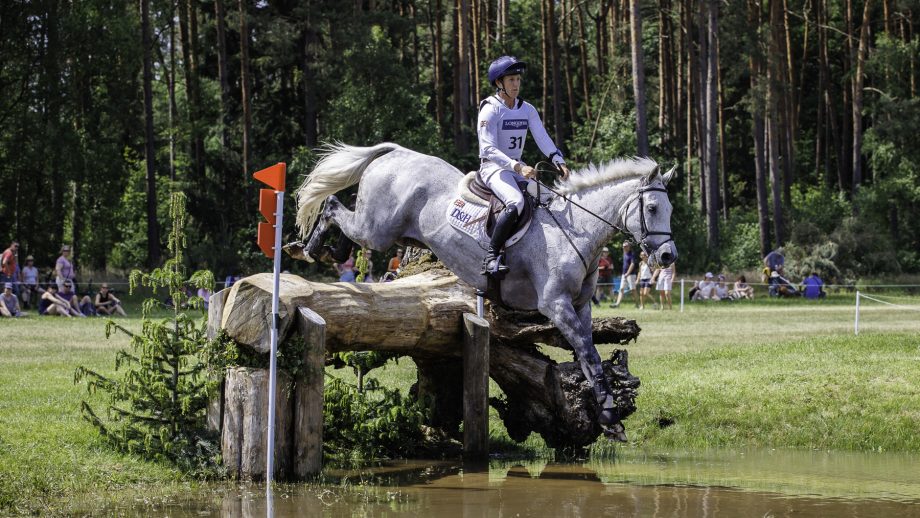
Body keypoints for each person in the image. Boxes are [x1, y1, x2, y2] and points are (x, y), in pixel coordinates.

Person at [477, 55, 571, 275]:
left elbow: (543, 137)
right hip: (493, 168)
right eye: (511, 80)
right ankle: (491, 257)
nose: (516, 84)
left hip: (517, 168)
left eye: (518, 80)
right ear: (499, 83)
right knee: (516, 201)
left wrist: (559, 161)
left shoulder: (527, 109)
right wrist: (518, 167)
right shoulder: (490, 109)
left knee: (548, 199)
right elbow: (487, 149)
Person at [611, 241, 640, 308]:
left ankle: (638, 304)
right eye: (623, 246)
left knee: (633, 289)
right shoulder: (624, 254)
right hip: (624, 274)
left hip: (631, 274)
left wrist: (628, 273)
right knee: (621, 289)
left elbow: (632, 264)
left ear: (629, 247)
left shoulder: (632, 254)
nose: (624, 247)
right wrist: (624, 274)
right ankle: (617, 304)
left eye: (626, 246)